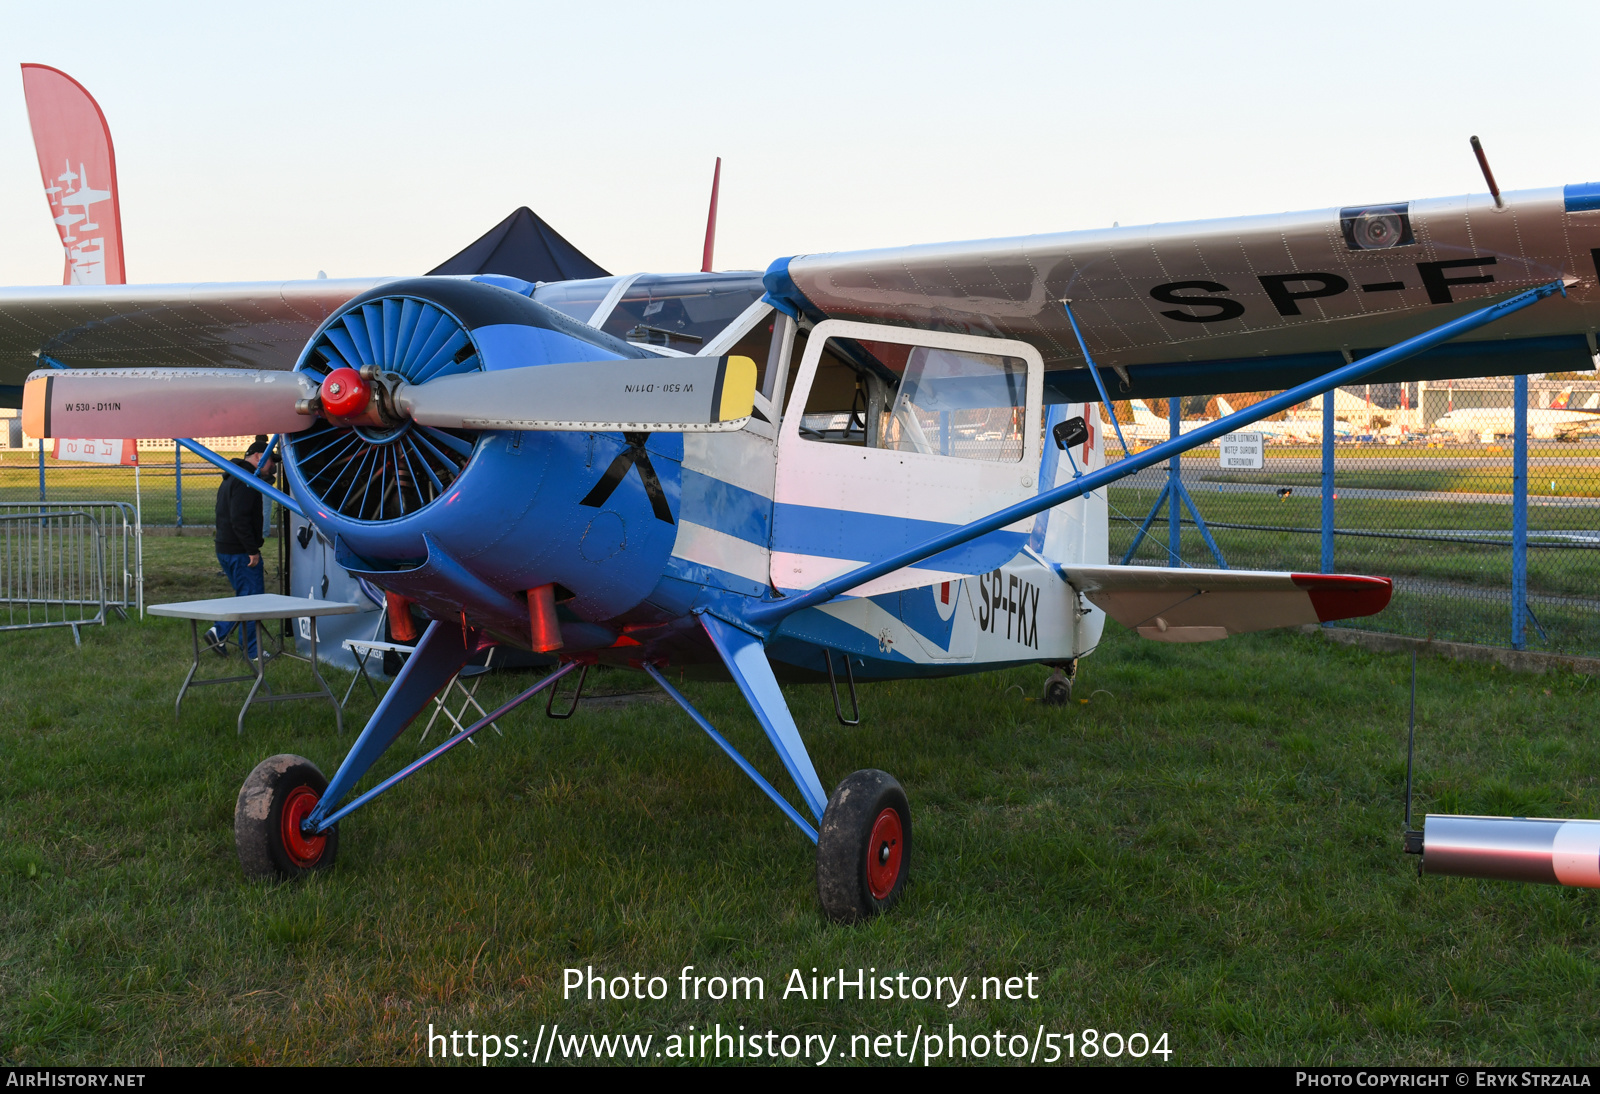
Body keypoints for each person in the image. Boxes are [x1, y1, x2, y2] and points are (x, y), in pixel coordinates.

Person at [204, 439, 277, 659]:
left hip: (226, 547)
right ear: (257, 457)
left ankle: (241, 643)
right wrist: (252, 550)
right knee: (252, 600)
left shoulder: (232, 476)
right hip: (240, 551)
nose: (273, 466)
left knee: (245, 596)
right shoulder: (246, 481)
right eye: (271, 461)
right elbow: (240, 519)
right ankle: (226, 635)